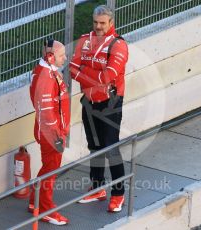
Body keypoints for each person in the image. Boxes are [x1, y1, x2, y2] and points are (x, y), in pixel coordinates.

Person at [69, 5, 129, 212]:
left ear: (111, 23)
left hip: (110, 102)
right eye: (95, 22)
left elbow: (108, 77)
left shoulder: (119, 45)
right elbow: (71, 68)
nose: (98, 26)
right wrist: (93, 73)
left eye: (103, 23)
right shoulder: (85, 40)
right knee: (94, 146)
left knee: (110, 148)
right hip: (89, 101)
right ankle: (97, 188)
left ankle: (118, 194)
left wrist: (84, 70)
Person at [28, 39, 70, 225]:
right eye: (62, 55)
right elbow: (48, 115)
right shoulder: (45, 77)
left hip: (50, 132)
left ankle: (34, 201)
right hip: (51, 135)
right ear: (50, 56)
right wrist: (58, 138)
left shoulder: (46, 71)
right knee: (50, 171)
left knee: (47, 168)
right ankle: (45, 209)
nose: (65, 58)